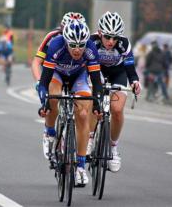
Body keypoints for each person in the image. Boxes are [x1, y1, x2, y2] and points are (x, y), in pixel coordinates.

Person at [38, 20, 103, 186]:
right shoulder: (55, 45)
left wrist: (96, 105)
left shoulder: (90, 48)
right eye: (73, 45)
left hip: (78, 76)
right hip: (57, 75)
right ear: (66, 41)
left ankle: (80, 167)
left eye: (81, 45)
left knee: (82, 114)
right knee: (54, 96)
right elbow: (44, 81)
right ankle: (50, 132)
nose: (77, 49)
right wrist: (44, 103)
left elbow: (96, 82)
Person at [88, 11, 141, 173]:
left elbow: (130, 66)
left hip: (118, 73)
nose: (111, 41)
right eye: (108, 37)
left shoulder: (124, 43)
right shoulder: (91, 41)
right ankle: (89, 138)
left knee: (117, 110)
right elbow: (86, 65)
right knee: (94, 103)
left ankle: (112, 148)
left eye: (115, 38)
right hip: (96, 71)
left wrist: (134, 81)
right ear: (100, 33)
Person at [31, 12, 86, 89]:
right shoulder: (52, 38)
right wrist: (39, 81)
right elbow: (37, 62)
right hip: (55, 70)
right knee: (52, 93)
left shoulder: (87, 41)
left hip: (75, 72)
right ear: (61, 27)